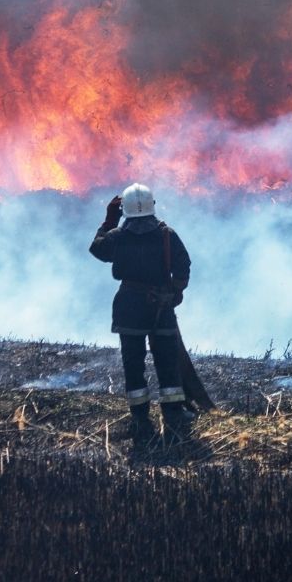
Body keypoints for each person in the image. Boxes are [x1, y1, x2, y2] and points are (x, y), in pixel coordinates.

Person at [89, 183, 194, 447]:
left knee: (133, 363)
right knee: (167, 360)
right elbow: (184, 264)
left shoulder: (117, 236)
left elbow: (97, 249)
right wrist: (175, 291)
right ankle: (174, 414)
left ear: (124, 209)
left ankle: (140, 417)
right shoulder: (166, 234)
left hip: (129, 306)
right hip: (161, 306)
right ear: (152, 206)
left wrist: (109, 219)